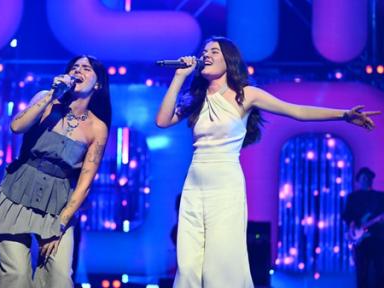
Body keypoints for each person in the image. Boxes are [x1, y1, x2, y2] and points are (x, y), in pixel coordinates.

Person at [155, 36, 381, 288]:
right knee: (187, 267)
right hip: (194, 186)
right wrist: (178, 78)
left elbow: (296, 111)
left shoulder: (245, 95)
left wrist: (344, 115)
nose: (206, 54)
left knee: (219, 267)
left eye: (214, 51)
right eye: (204, 51)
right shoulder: (196, 98)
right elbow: (162, 121)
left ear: (228, 61)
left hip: (225, 186)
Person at [0, 55, 111, 288]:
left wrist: (60, 223)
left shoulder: (97, 128)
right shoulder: (46, 100)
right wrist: (52, 94)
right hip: (17, 193)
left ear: (98, 83)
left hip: (57, 205)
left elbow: (85, 182)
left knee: (59, 277)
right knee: (16, 275)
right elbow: (16, 126)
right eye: (74, 67)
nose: (78, 71)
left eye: (86, 68)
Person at [342, 167, 384, 287]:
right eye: (363, 178)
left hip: (377, 237)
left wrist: (380, 221)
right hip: (360, 239)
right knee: (362, 271)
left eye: (368, 177)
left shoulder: (380, 197)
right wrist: (351, 224)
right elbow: (347, 214)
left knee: (380, 270)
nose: (366, 180)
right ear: (358, 180)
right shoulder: (353, 197)